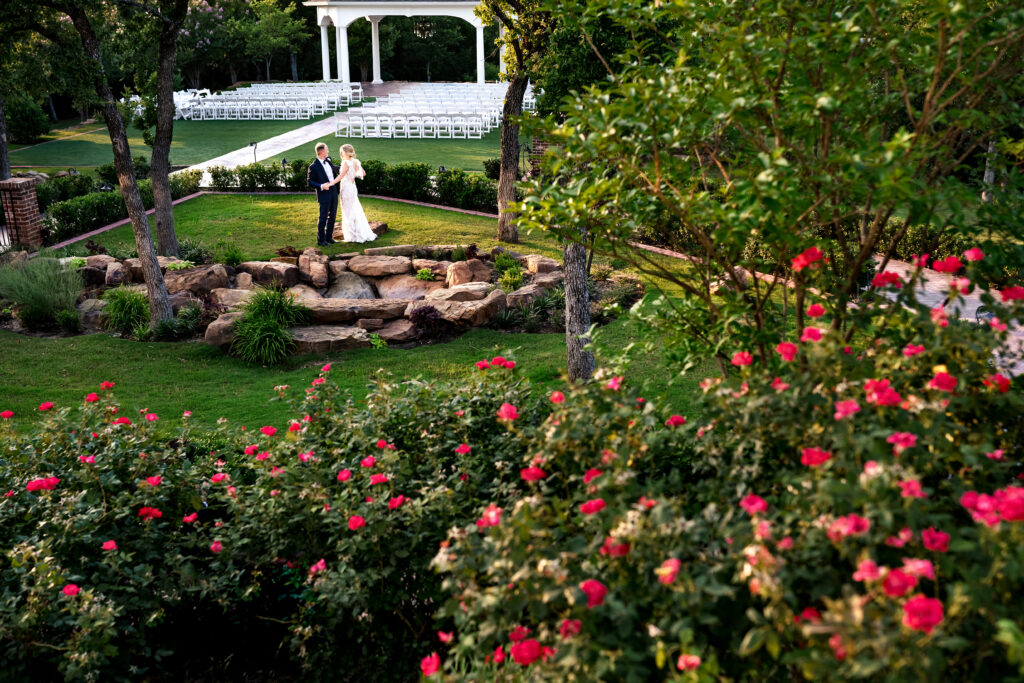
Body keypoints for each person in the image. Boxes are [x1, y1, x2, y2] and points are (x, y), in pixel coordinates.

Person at [326, 144, 377, 244]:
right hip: (353, 186)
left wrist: (331, 183)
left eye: (341, 152)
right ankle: (359, 231)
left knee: (347, 210)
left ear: (344, 153)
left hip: (346, 188)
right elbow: (363, 173)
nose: (340, 154)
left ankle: (352, 235)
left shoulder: (346, 163)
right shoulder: (356, 161)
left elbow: (341, 176)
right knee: (354, 208)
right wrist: (353, 174)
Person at [306, 142, 339, 246]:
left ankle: (329, 237)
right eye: (326, 149)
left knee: (333, 216)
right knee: (323, 217)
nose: (328, 151)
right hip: (323, 193)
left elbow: (334, 170)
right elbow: (310, 182)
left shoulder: (328, 160)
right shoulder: (313, 166)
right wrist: (321, 186)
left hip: (333, 190)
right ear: (321, 152)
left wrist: (346, 166)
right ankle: (321, 240)